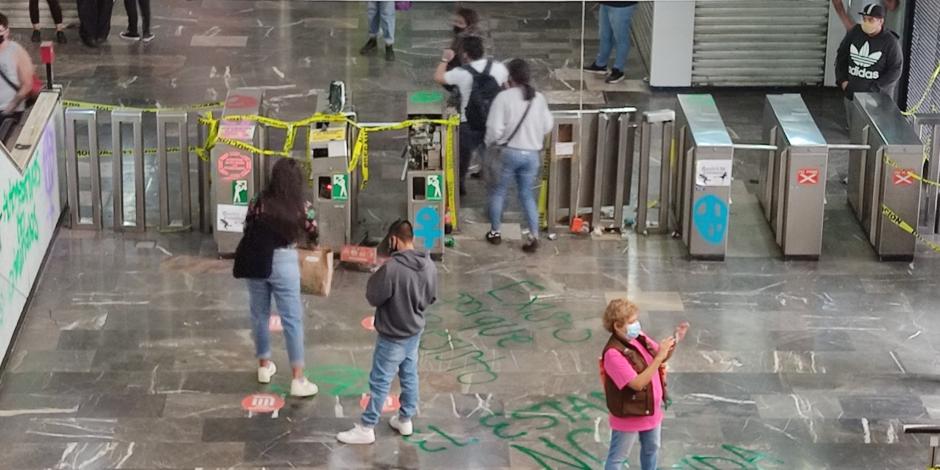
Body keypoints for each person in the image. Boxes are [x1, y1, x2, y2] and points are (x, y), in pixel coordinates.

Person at [337, 220, 438, 445]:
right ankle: (405, 419)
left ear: (393, 239)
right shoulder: (429, 264)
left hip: (392, 334)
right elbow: (431, 297)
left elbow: (373, 296)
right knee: (409, 375)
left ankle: (367, 426)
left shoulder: (392, 269)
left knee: (381, 381)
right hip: (414, 331)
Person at [235, 158, 319, 398]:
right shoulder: (302, 206)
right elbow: (312, 231)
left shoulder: (258, 201)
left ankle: (263, 366)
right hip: (284, 262)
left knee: (259, 315)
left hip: (256, 260)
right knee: (292, 319)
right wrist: (312, 244)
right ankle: (298, 379)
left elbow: (248, 225)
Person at [483, 59, 554, 253]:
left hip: (508, 153)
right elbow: (548, 125)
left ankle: (495, 232)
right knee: (527, 195)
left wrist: (490, 143)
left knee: (498, 192)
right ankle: (533, 235)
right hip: (531, 155)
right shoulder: (538, 98)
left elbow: (494, 129)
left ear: (510, 77)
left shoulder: (504, 98)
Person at [600, 299, 676, 470]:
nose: (637, 325)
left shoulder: (638, 338)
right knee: (618, 457)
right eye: (632, 322)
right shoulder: (613, 354)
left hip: (651, 408)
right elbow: (637, 383)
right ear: (617, 326)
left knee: (652, 448)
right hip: (630, 413)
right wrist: (658, 358)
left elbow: (661, 355)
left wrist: (672, 344)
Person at [433, 35, 508, 196]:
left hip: (469, 122)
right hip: (492, 120)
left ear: (465, 54)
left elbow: (438, 77)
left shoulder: (461, 72)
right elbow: (505, 87)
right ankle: (493, 183)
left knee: (462, 156)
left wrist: (444, 59)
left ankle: (459, 184)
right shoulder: (498, 67)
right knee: (488, 153)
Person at [835, 3, 903, 125]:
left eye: (871, 20)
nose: (866, 23)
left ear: (881, 21)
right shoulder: (855, 32)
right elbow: (842, 55)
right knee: (854, 131)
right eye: (864, 19)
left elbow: (895, 70)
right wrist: (843, 81)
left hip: (877, 100)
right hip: (852, 96)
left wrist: (875, 88)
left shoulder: (890, 41)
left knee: (875, 133)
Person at [583, 1, 638, 84]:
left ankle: (618, 70)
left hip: (622, 5)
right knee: (605, 34)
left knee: (621, 37)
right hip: (606, 3)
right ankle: (600, 64)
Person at [0, 15, 35, 128]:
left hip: (9, 113)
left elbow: (27, 84)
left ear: (7, 31)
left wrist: (11, 106)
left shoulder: (17, 51)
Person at [832, 0, 900, 31]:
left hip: (876, 31)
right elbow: (836, 1)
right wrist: (847, 24)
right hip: (856, 26)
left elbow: (892, 6)